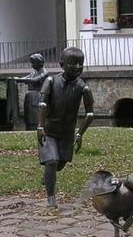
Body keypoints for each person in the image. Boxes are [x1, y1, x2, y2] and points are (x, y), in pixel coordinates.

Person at [37, 46, 94, 207]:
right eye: (73, 63)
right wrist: (40, 126)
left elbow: (90, 113)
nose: (77, 67)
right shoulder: (50, 81)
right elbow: (42, 104)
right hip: (49, 130)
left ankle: (48, 175)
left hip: (67, 133)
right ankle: (51, 198)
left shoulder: (83, 88)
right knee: (52, 161)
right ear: (62, 64)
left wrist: (80, 133)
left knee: (60, 163)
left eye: (80, 63)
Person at [13, 53, 49, 130]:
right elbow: (27, 77)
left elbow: (34, 80)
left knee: (35, 114)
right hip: (30, 96)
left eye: (33, 63)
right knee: (28, 115)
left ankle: (36, 126)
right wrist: (18, 79)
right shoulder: (34, 72)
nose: (31, 65)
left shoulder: (44, 73)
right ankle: (28, 126)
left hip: (37, 96)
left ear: (38, 63)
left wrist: (20, 80)